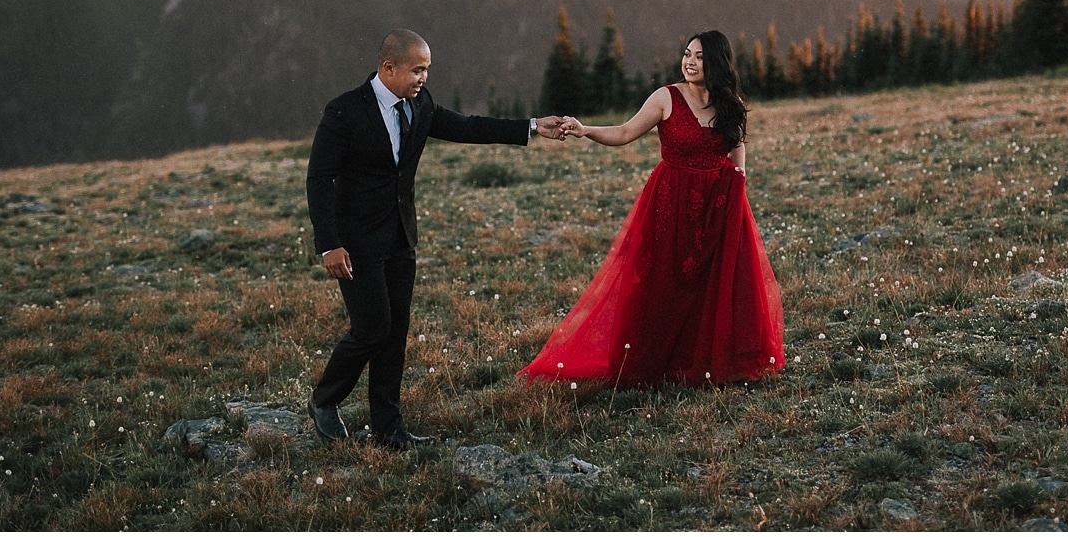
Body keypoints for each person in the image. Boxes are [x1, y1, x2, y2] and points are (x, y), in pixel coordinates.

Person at [307, 29, 570, 449]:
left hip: (400, 237)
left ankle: (388, 429)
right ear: (388, 68)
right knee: (372, 326)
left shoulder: (420, 105)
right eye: (417, 70)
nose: (423, 78)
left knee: (395, 332)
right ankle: (325, 399)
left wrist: (535, 126)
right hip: (355, 242)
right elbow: (319, 179)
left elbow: (467, 126)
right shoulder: (343, 112)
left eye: (427, 70)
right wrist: (329, 243)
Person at [522, 30, 784, 386]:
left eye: (699, 57)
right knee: (663, 279)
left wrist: (735, 193)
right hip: (670, 201)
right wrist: (586, 131)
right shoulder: (666, 98)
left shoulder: (728, 101)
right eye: (687, 54)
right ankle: (653, 362)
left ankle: (701, 360)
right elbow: (626, 132)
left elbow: (737, 153)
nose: (689, 62)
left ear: (718, 63)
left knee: (714, 281)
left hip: (718, 201)